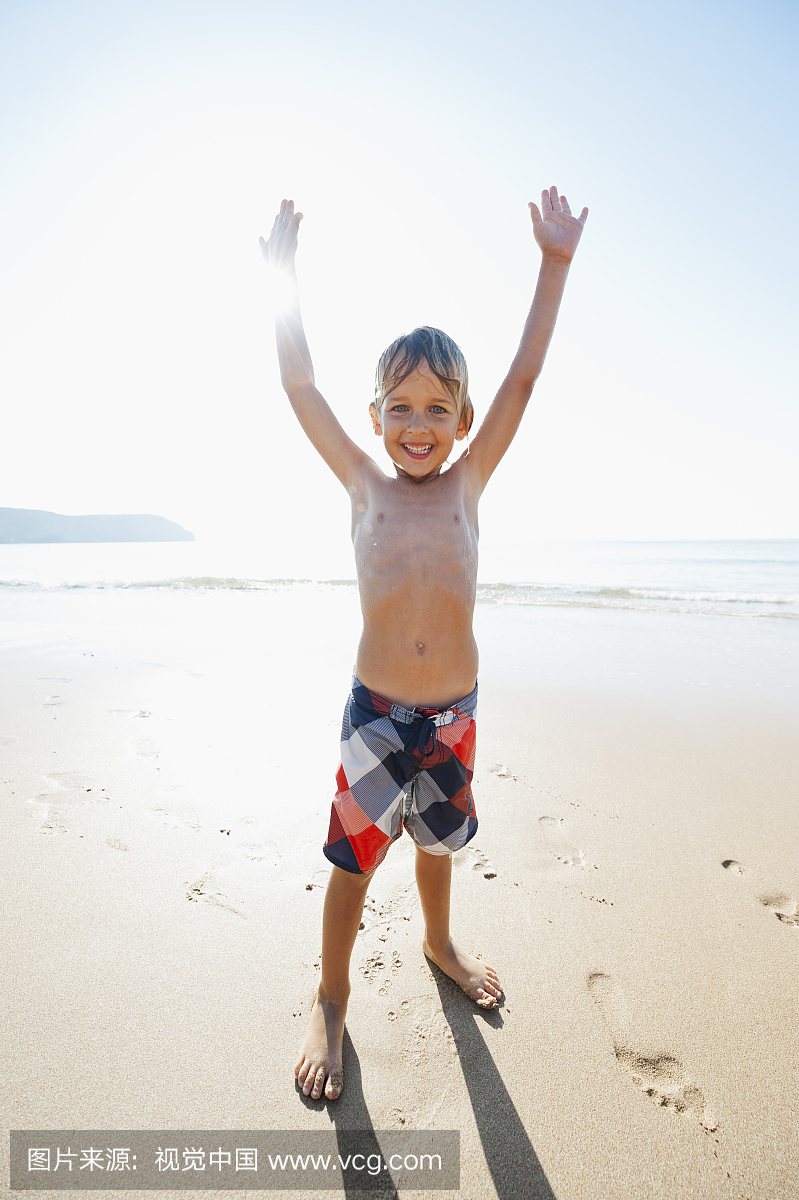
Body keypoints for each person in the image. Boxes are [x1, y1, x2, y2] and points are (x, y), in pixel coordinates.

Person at [260, 187, 588, 1101]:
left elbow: (522, 378)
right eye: (399, 407)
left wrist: (552, 265)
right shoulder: (363, 485)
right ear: (374, 418)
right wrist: (281, 278)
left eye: (438, 409)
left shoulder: (468, 484)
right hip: (374, 714)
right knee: (353, 860)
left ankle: (438, 942)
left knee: (438, 846)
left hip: (453, 712)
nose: (417, 425)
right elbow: (298, 386)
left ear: (463, 421)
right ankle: (330, 996)